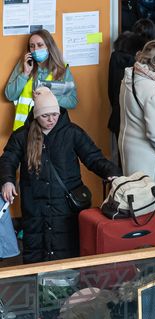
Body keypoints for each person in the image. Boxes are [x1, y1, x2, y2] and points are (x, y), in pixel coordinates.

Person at [0, 87, 120, 263]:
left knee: (67, 251)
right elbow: (7, 160)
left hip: (66, 206)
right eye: (45, 116)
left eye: (54, 115)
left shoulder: (72, 132)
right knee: (36, 252)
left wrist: (112, 173)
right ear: (36, 114)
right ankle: (37, 288)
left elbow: (93, 157)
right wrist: (7, 181)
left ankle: (66, 289)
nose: (51, 120)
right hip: (35, 207)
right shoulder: (22, 136)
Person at [119, 40, 155, 213]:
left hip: (128, 146)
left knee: (134, 198)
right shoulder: (153, 90)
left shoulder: (130, 77)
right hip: (147, 155)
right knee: (150, 205)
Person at [5, 29, 78, 131]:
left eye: (40, 45)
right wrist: (25, 74)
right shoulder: (24, 65)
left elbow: (72, 102)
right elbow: (9, 95)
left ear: (49, 47)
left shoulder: (62, 69)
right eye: (32, 46)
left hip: (53, 129)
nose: (35, 49)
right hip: (26, 129)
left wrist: (48, 96)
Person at [107, 30, 150, 152]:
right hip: (134, 122)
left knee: (122, 159)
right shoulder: (137, 67)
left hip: (116, 116)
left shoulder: (114, 59)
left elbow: (111, 92)